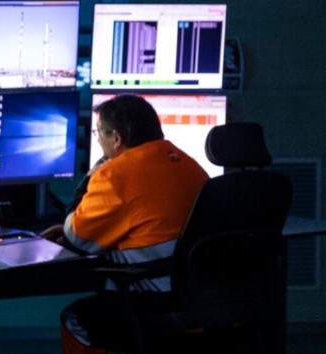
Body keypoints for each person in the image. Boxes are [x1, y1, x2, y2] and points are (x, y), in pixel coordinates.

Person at [39, 94, 209, 354]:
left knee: (76, 320)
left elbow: (75, 238)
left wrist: (89, 178)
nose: (98, 139)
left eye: (99, 133)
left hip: (151, 301)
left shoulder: (113, 176)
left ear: (116, 138)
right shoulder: (191, 166)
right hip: (199, 302)